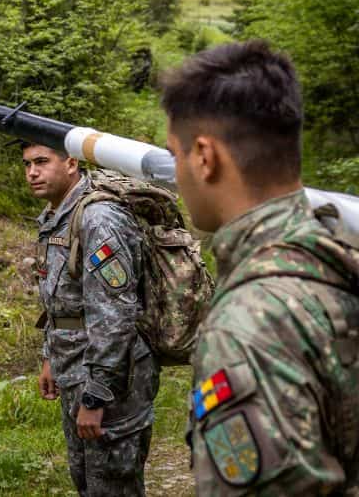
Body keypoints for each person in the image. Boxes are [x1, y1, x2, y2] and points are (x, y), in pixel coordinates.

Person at [161, 40, 359, 494]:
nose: (175, 172)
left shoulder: (246, 326)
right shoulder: (335, 249)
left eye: (175, 154)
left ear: (205, 157)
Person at [23, 141, 158, 496]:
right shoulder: (57, 217)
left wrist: (97, 396)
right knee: (87, 481)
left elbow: (115, 315)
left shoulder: (98, 219)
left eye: (41, 162)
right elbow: (63, 302)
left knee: (112, 487)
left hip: (113, 379)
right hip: (73, 367)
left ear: (71, 162)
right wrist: (50, 356)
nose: (32, 172)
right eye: (26, 164)